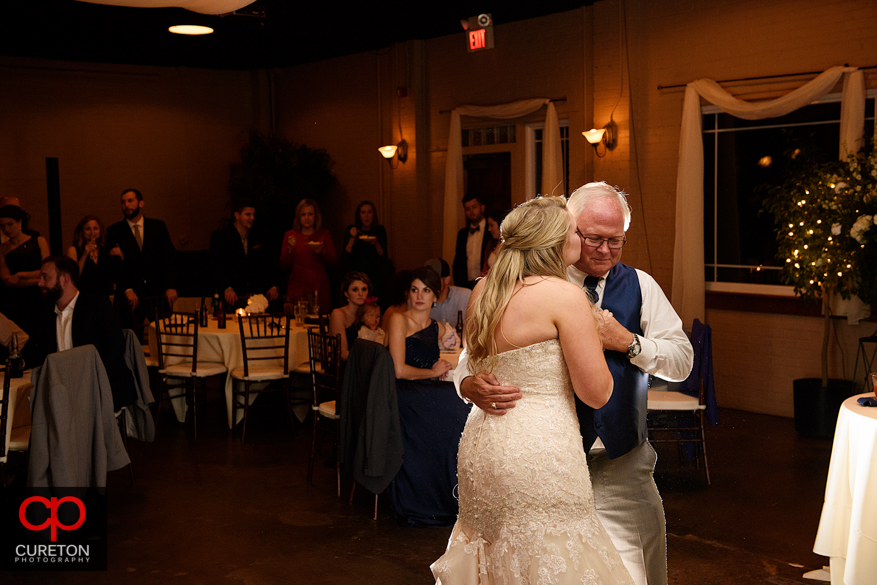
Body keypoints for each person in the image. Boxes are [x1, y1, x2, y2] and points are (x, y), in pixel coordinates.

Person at [455, 183, 694, 585]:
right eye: (593, 238)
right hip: (546, 463)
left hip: (617, 459)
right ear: (568, 231)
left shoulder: (641, 285)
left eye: (615, 241)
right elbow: (472, 358)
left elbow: (682, 361)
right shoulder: (534, 287)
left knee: (636, 571)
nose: (604, 250)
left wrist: (629, 343)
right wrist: (466, 383)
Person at [432, 195, 633, 584]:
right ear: (558, 241)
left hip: (484, 447)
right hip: (539, 454)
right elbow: (597, 393)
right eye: (576, 230)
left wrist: (470, 383)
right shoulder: (565, 296)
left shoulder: (483, 291)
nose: (582, 236)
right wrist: (603, 340)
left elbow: (471, 363)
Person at [30, 256, 137, 412]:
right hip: (61, 390)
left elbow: (115, 346)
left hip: (98, 388)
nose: (40, 283)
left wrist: (88, 379)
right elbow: (35, 349)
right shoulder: (46, 313)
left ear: (64, 279)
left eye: (45, 277)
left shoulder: (96, 306)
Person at [105, 188, 178, 329]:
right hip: (131, 295)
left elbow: (169, 257)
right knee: (131, 338)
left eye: (130, 201)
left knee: (164, 336)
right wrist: (127, 289)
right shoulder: (114, 231)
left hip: (157, 292)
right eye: (123, 202)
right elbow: (115, 266)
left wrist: (171, 286)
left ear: (141, 203)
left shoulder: (158, 227)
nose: (126, 205)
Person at [208, 199, 280, 309]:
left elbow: (268, 263)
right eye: (248, 214)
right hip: (232, 298)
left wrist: (273, 285)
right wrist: (227, 287)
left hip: (256, 298)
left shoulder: (258, 237)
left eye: (253, 214)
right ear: (237, 215)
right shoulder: (221, 236)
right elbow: (216, 265)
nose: (252, 218)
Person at [387, 266, 453, 380]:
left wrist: (442, 365)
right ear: (409, 294)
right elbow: (399, 371)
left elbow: (422, 358)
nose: (419, 296)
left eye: (426, 290)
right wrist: (434, 372)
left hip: (426, 389)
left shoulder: (439, 328)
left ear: (435, 296)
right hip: (401, 391)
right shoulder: (398, 319)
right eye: (414, 290)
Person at [0, 205, 50, 336]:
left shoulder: (39, 241)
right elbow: (8, 281)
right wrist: (37, 280)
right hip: (15, 301)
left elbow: (47, 270)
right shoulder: (3, 249)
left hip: (39, 297)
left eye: (10, 224)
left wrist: (21, 275)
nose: (6, 229)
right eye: (2, 226)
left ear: (20, 222)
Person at [279, 198, 337, 311]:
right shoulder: (290, 235)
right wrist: (290, 249)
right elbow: (284, 264)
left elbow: (334, 261)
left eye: (310, 214)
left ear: (316, 216)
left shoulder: (323, 234)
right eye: (303, 214)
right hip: (297, 286)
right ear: (298, 217)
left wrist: (323, 251)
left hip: (318, 286)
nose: (307, 218)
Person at [342, 200, 388, 299]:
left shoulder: (379, 230)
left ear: (373, 214)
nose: (366, 216)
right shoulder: (352, 229)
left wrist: (376, 243)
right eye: (363, 212)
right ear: (359, 215)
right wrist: (352, 238)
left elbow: (384, 258)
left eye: (369, 212)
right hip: (356, 275)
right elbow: (345, 256)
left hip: (374, 276)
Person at [66, 215, 121, 296]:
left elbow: (113, 273)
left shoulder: (104, 249)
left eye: (95, 228)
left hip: (104, 296)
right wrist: (85, 254)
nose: (92, 232)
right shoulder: (74, 250)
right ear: (82, 232)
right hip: (84, 295)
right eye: (88, 229)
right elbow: (74, 276)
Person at [328, 271, 372, 360]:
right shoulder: (338, 314)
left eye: (364, 289)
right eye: (355, 289)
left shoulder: (369, 313)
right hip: (344, 366)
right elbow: (342, 354)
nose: (360, 293)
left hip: (364, 365)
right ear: (346, 293)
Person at [452, 194, 492, 289]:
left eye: (474, 207)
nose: (471, 211)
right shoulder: (462, 234)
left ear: (482, 208)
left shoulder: (490, 230)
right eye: (467, 209)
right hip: (466, 284)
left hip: (486, 283)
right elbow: (458, 261)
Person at [425, 257, 471, 326]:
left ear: (447, 280)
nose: (430, 283)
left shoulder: (465, 296)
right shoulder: (421, 300)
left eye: (435, 279)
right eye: (427, 280)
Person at [480, 208, 507, 275]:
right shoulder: (491, 244)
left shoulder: (511, 244)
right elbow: (485, 270)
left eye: (491, 225)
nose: (489, 229)